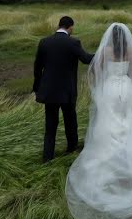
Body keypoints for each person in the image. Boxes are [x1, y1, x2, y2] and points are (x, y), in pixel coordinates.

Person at [65, 23, 132, 219]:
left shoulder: (106, 51)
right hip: (126, 89)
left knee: (107, 122)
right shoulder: (129, 51)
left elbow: (96, 70)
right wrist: (125, 82)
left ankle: (108, 160)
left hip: (109, 88)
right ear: (125, 39)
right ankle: (130, 163)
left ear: (110, 38)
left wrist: (101, 86)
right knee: (126, 119)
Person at [32, 16, 94, 162]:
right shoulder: (73, 43)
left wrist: (37, 88)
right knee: (70, 121)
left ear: (59, 25)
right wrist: (104, 53)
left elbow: (37, 67)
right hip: (67, 91)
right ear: (70, 27)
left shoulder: (44, 42)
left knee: (50, 126)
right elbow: (86, 59)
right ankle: (71, 150)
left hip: (49, 92)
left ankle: (47, 158)